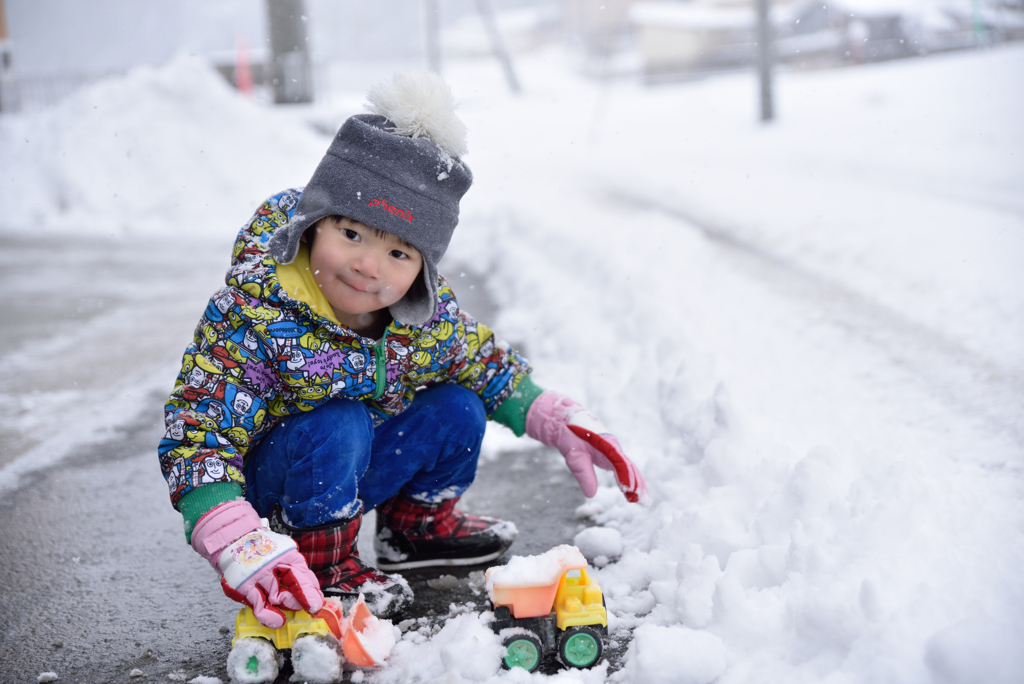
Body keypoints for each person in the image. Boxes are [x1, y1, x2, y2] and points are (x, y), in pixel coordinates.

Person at [158, 72, 650, 627]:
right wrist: (233, 534)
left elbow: (483, 363)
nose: (369, 265)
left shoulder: (419, 318)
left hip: (346, 471)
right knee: (338, 421)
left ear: (422, 267)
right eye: (352, 234)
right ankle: (321, 566)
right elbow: (197, 430)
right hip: (270, 491)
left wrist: (553, 416)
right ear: (314, 224)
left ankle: (415, 528)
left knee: (457, 405)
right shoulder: (256, 311)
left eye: (399, 253)